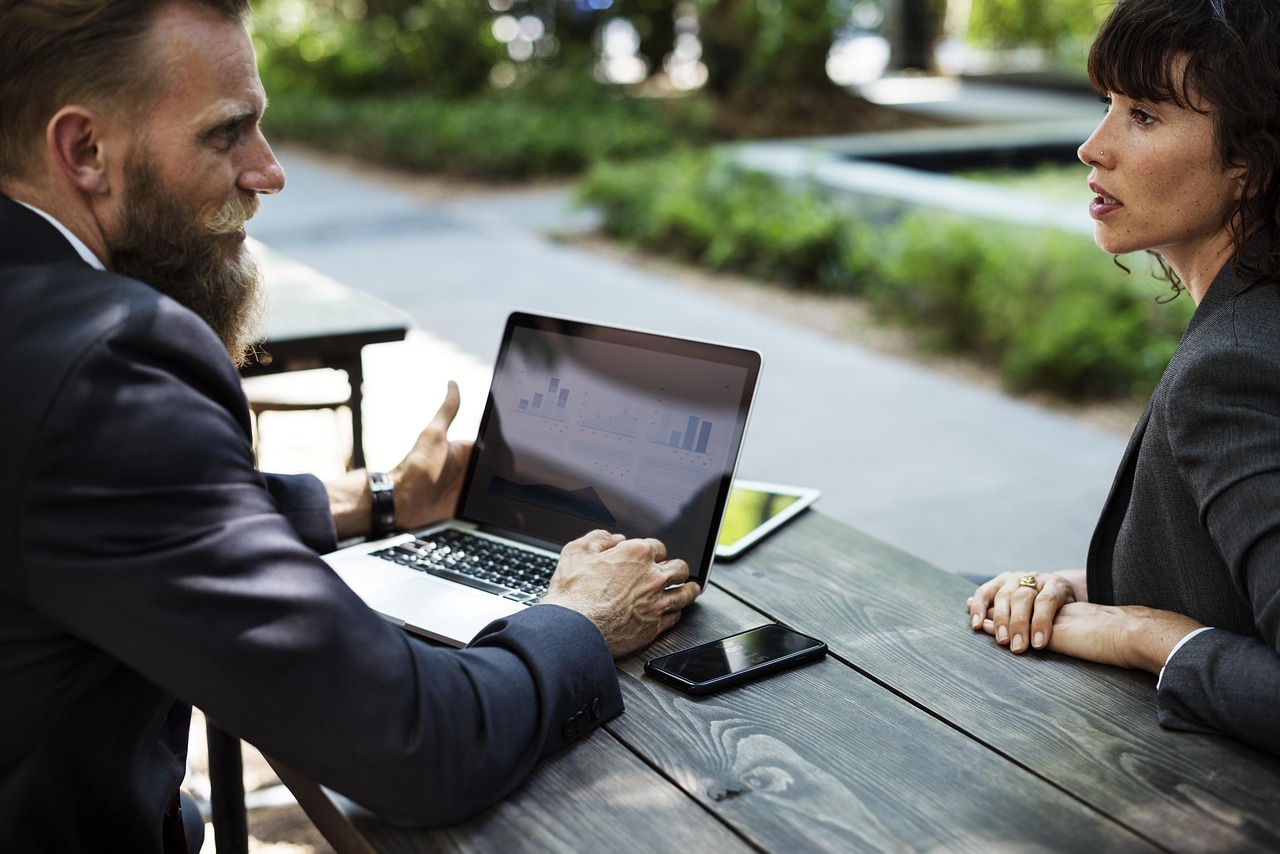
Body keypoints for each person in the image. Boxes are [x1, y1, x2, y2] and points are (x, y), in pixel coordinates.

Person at [0, 0, 701, 849]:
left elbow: (83, 509)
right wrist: (581, 620)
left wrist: (377, 499)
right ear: (84, 151)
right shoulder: (108, 361)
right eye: (228, 134)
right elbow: (418, 745)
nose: (268, 171)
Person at [967, 0, 1280, 758]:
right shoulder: (1251, 319)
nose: (1091, 147)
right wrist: (1081, 587)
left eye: (1142, 114)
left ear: (1251, 161)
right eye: (1105, 104)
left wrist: (1144, 635)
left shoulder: (1232, 369)